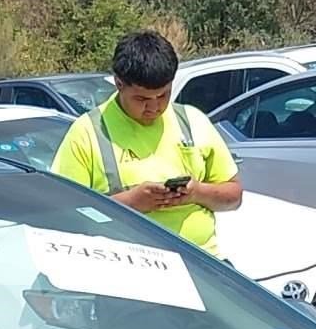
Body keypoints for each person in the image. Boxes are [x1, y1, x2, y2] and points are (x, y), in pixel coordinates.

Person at [50, 30, 243, 255]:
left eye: (163, 95)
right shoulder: (87, 133)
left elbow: (234, 197)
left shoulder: (192, 120)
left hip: (203, 262)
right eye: (141, 99)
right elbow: (65, 214)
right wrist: (132, 203)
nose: (154, 107)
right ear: (118, 83)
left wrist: (197, 193)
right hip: (128, 270)